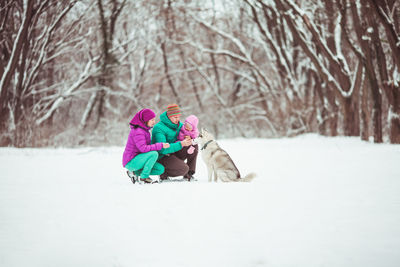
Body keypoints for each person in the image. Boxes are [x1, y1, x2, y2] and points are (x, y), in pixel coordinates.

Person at [122, 108, 170, 184]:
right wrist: (160, 145)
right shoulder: (138, 131)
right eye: (152, 120)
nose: (154, 122)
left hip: (139, 159)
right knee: (154, 154)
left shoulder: (145, 130)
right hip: (131, 161)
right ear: (145, 120)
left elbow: (148, 146)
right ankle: (144, 178)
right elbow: (143, 149)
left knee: (160, 169)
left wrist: (163, 150)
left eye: (154, 119)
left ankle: (134, 173)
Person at [151, 104, 197, 181]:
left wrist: (190, 138)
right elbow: (162, 149)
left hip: (174, 153)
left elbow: (191, 132)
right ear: (169, 117)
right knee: (184, 169)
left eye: (179, 117)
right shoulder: (158, 128)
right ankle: (163, 173)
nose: (178, 119)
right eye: (175, 117)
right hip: (163, 156)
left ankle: (189, 174)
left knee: (193, 145)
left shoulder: (180, 125)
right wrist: (181, 144)